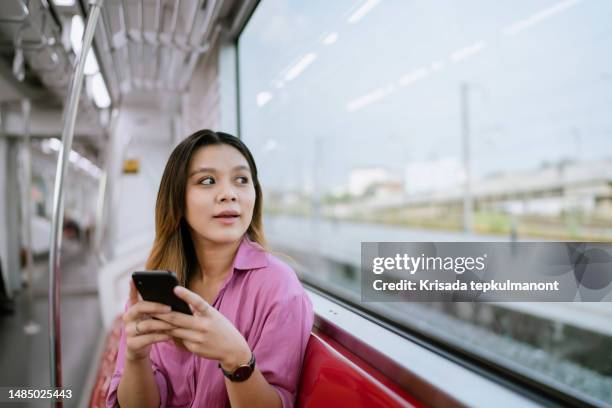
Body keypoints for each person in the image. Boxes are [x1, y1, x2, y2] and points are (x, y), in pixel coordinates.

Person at [106, 130, 314, 407]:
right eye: (207, 181)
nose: (229, 194)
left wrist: (237, 359)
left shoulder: (279, 288)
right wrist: (136, 357)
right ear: (178, 200)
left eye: (241, 180)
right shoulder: (156, 284)